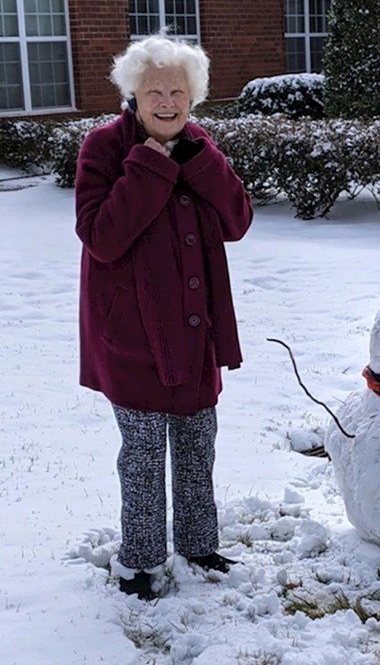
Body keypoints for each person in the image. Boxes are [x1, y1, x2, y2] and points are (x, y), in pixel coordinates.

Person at [75, 34, 253, 600]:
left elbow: (237, 220)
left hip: (195, 330)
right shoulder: (103, 147)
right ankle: (140, 562)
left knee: (198, 443)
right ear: (134, 93)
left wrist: (201, 164)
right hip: (132, 335)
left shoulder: (200, 145)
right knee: (146, 453)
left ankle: (199, 543)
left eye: (178, 90)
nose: (167, 102)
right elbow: (101, 238)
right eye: (155, 91)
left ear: (194, 95)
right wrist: (148, 168)